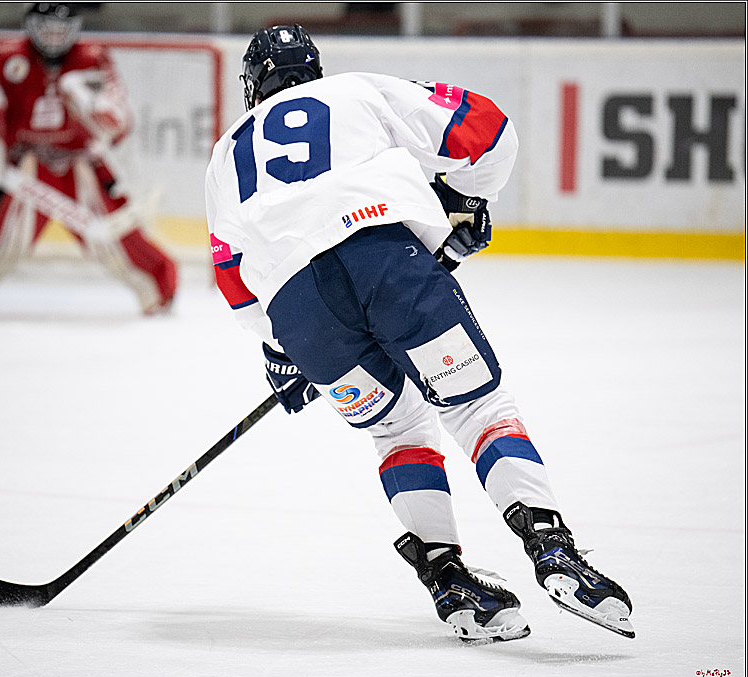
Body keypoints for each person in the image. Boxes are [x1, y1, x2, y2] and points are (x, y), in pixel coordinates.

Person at [206, 25, 634, 643]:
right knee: (478, 406)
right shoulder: (354, 92)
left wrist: (281, 347)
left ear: (253, 86)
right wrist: (468, 200)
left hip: (299, 311)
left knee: (397, 426)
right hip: (383, 257)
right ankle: (552, 550)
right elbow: (488, 129)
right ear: (314, 71)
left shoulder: (225, 154)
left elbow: (232, 277)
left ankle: (447, 577)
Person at [0, 2, 177, 318]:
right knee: (6, 233)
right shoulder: (4, 58)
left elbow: (119, 119)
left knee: (111, 233)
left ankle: (160, 285)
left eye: (63, 31)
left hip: (80, 162)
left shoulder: (92, 60)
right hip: (27, 164)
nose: (55, 40)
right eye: (47, 30)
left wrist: (93, 108)